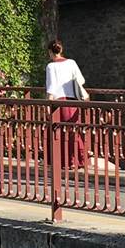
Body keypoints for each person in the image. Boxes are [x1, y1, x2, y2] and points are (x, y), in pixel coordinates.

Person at [45, 39, 89, 168]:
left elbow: (51, 87)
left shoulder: (51, 66)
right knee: (73, 129)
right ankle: (79, 159)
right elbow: (81, 80)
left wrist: (48, 105)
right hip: (73, 100)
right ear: (61, 50)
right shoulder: (72, 63)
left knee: (58, 130)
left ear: (50, 52)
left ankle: (62, 161)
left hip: (59, 102)